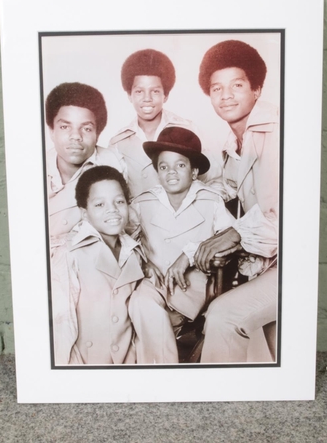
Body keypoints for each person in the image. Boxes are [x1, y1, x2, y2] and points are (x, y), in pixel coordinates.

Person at [194, 39, 280, 363]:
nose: (225, 95)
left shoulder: (279, 131)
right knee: (278, 353)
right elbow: (229, 189)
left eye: (237, 85)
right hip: (266, 266)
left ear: (256, 89)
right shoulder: (231, 145)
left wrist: (234, 235)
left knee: (223, 316)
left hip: (295, 265)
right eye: (217, 88)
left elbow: (292, 216)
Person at [128, 126, 235, 364]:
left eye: (181, 165)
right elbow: (123, 239)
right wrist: (142, 264)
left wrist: (190, 253)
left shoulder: (210, 200)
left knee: (153, 318)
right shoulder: (143, 201)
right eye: (164, 167)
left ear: (194, 171)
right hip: (153, 283)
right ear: (157, 171)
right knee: (140, 301)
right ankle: (164, 372)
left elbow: (232, 237)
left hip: (192, 288)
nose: (171, 172)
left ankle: (161, 366)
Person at [51, 166, 146, 365]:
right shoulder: (69, 254)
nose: (112, 210)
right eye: (100, 204)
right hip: (84, 365)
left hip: (129, 364)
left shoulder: (135, 252)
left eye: (119, 201)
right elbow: (62, 326)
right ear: (84, 213)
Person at [109, 48, 223, 198]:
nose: (147, 98)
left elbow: (215, 180)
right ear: (129, 95)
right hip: (139, 219)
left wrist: (202, 207)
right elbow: (113, 194)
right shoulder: (118, 143)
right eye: (139, 91)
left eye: (155, 91)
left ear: (166, 95)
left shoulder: (188, 130)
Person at [45, 82, 126, 244]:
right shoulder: (36, 169)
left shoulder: (112, 164)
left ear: (98, 134)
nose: (76, 136)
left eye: (87, 129)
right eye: (65, 127)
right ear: (52, 131)